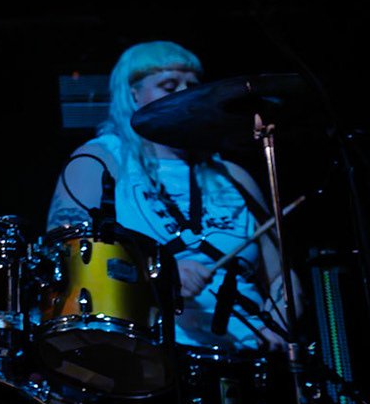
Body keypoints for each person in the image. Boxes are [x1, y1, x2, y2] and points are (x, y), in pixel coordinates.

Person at [48, 40, 298, 351]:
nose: (186, 93)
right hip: (147, 351)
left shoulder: (232, 175)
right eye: (169, 86)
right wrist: (158, 274)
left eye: (193, 85)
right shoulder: (100, 160)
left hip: (247, 352)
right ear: (133, 94)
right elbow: (64, 260)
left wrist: (279, 325)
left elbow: (279, 277)